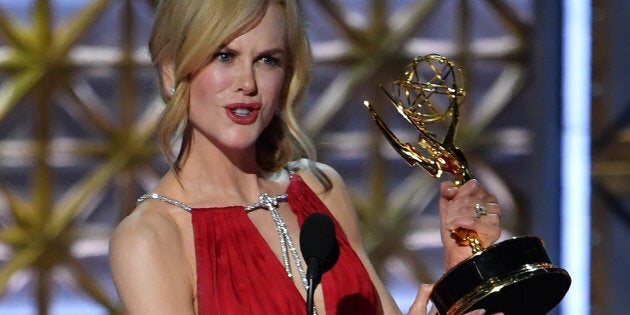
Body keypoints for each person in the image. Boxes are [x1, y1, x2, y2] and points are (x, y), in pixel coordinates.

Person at [108, 1, 503, 314]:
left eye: (268, 60)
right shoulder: (151, 239)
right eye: (224, 56)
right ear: (171, 70)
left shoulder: (320, 191)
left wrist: (463, 267)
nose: (247, 83)